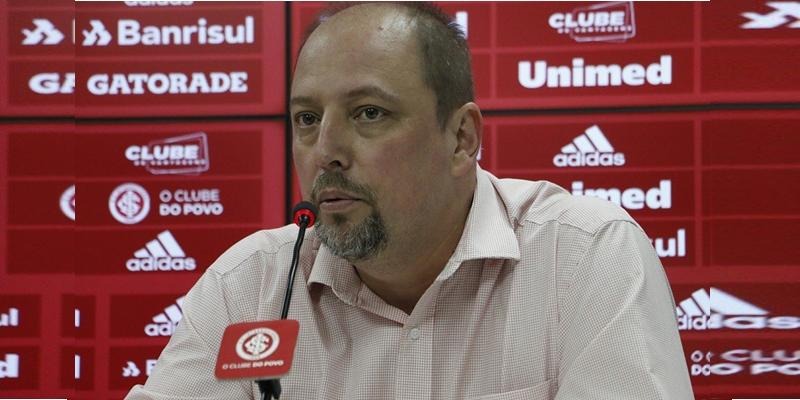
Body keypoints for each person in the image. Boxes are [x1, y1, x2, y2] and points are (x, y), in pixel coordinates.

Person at [126, 3, 694, 399]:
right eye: (306, 119)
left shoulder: (582, 256)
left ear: (460, 138)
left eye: (369, 113)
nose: (326, 151)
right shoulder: (249, 286)